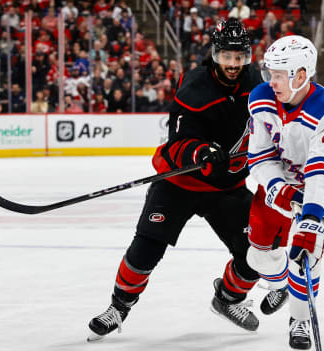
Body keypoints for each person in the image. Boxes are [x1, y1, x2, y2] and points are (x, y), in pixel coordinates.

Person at [87, 19, 263, 341]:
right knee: (146, 248)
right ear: (214, 54)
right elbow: (177, 143)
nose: (234, 65)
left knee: (257, 252)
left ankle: (228, 298)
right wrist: (200, 153)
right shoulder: (195, 88)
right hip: (181, 184)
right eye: (227, 57)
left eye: (239, 57)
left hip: (227, 186)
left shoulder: (258, 83)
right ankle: (119, 306)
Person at [246, 35, 324, 349]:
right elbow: (259, 157)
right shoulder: (260, 98)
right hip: (285, 179)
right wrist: (277, 188)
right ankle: (282, 283)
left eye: (279, 74)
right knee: (257, 255)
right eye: (270, 73)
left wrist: (311, 218)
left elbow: (323, 171)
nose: (272, 81)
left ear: (302, 75)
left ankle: (300, 319)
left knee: (307, 249)